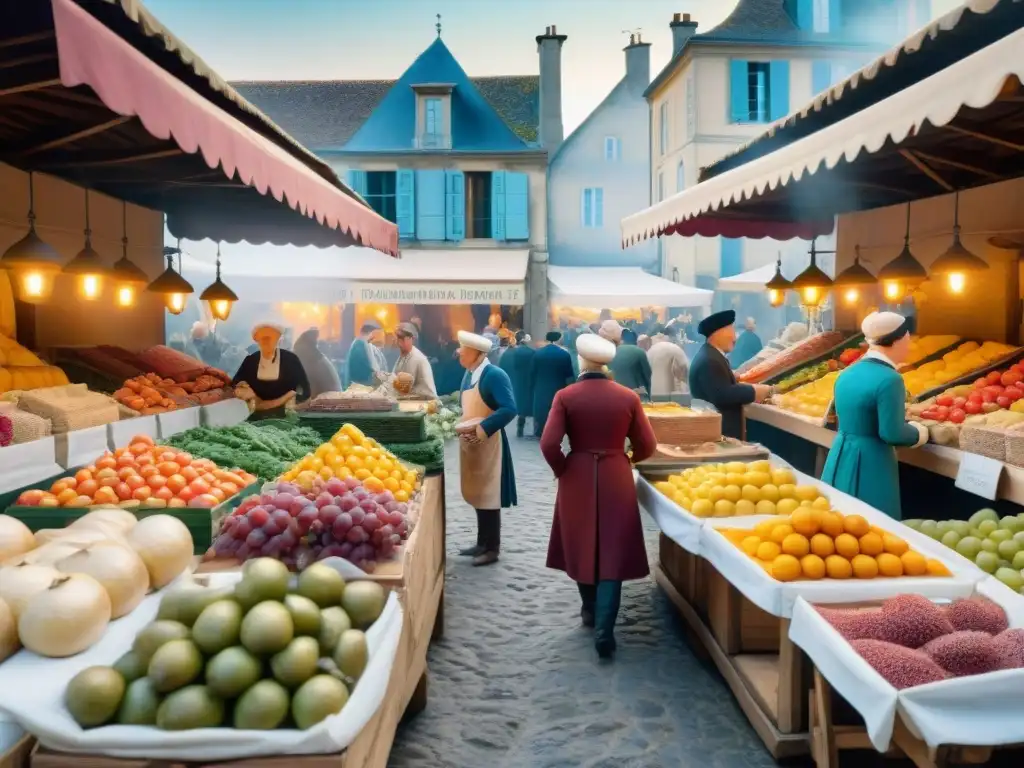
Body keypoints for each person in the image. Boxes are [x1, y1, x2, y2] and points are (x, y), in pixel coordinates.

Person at [540, 334, 657, 659]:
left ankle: (590, 611)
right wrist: (627, 460)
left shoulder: (565, 396)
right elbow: (648, 444)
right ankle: (606, 630)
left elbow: (549, 444)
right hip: (616, 474)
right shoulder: (627, 397)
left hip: (576, 474)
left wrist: (562, 468)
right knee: (613, 549)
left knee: (580, 543)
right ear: (606, 365)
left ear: (581, 361)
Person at [821, 312, 928, 519]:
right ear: (896, 341)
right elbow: (892, 433)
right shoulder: (890, 379)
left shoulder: (847, 373)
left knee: (839, 522)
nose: (909, 345)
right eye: (907, 339)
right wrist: (920, 432)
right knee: (873, 527)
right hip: (872, 463)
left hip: (841, 454)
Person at [456, 330, 518, 566]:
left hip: (490, 443)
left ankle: (492, 548)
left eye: (463, 348)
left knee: (490, 495)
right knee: (479, 493)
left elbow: (509, 408)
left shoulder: (494, 375)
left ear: (476, 353)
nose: (459, 352)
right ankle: (481, 542)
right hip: (472, 445)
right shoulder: (469, 373)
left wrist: (482, 428)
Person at [688, 310, 771, 439]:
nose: (735, 338)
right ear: (719, 333)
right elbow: (722, 394)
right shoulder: (710, 359)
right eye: (731, 332)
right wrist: (754, 391)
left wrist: (732, 377)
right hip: (719, 434)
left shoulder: (711, 355)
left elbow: (719, 384)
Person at [232, 323, 311, 418]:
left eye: (271, 337)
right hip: (255, 415)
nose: (267, 341)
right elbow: (234, 383)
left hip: (284, 415)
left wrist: (294, 399)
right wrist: (243, 387)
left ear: (278, 339)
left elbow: (306, 391)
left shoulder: (291, 360)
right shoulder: (250, 361)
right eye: (263, 338)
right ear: (257, 339)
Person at [530, 331, 575, 439]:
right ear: (558, 339)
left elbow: (532, 373)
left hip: (541, 387)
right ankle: (555, 432)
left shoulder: (538, 353)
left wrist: (532, 386)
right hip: (558, 386)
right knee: (556, 410)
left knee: (541, 411)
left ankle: (540, 431)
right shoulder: (564, 354)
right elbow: (569, 375)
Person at [499, 330, 535, 438]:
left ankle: (520, 427)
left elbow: (502, 366)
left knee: (521, 407)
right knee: (529, 404)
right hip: (527, 382)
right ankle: (535, 429)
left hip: (516, 383)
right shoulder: (532, 352)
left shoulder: (508, 353)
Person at [605, 321, 652, 398]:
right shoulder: (638, 351)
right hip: (635, 396)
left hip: (612, 397)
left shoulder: (603, 354)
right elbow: (647, 377)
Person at [293, 328, 342, 399]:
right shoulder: (317, 358)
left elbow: (310, 393)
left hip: (329, 404)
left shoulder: (314, 364)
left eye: (297, 351)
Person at [393, 322, 437, 398]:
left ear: (411, 338)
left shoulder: (417, 358)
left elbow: (405, 387)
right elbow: (394, 379)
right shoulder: (402, 356)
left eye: (401, 338)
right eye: (397, 337)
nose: (398, 342)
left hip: (423, 404)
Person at [648, 325, 690, 397]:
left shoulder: (648, 350)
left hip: (652, 396)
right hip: (672, 399)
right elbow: (686, 373)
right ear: (672, 336)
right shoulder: (674, 349)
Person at [345, 322, 378, 387]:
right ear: (370, 333)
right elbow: (372, 367)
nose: (374, 338)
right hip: (360, 386)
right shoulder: (362, 345)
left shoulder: (357, 343)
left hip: (356, 384)